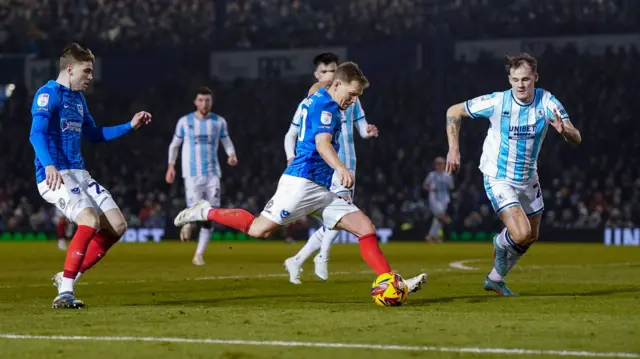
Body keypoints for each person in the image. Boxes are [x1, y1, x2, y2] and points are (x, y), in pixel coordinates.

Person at [175, 62, 427, 293]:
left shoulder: (320, 96)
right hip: (301, 183)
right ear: (338, 86)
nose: (353, 101)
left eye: (357, 96)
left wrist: (332, 80)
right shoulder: (326, 107)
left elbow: (319, 86)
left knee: (365, 227)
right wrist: (341, 167)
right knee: (258, 229)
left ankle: (389, 281)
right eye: (352, 94)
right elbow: (322, 143)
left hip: (323, 188)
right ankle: (205, 212)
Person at [445, 53, 581, 296]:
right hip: (499, 177)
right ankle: (500, 242)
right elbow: (454, 111)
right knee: (521, 233)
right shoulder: (497, 102)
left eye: (526, 79)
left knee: (532, 236)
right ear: (509, 80)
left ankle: (495, 279)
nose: (521, 84)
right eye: (516, 79)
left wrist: (565, 131)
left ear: (535, 78)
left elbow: (576, 137)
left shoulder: (546, 101)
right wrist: (453, 149)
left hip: (529, 178)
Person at [29, 43, 152, 309]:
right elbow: (36, 133)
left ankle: (67, 276)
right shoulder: (47, 94)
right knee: (88, 219)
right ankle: (65, 292)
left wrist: (129, 125)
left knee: (118, 226)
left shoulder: (78, 99)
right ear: (70, 69)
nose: (91, 77)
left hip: (79, 173)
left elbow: (94, 135)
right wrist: (48, 164)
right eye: (87, 71)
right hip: (55, 174)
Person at [283, 53, 378, 284]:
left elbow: (362, 129)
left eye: (333, 70)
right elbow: (291, 134)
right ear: (317, 75)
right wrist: (290, 157)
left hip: (348, 165)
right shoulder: (313, 102)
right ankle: (322, 257)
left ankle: (297, 259)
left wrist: (369, 132)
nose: (329, 75)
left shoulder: (353, 99)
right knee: (341, 212)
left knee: (334, 219)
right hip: (325, 167)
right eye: (325, 72)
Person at [165, 86, 238, 265]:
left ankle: (198, 254)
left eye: (207, 100)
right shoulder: (184, 122)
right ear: (195, 102)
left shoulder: (219, 122)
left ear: (211, 102)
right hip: (191, 174)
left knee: (210, 214)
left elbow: (226, 140)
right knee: (196, 209)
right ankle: (189, 222)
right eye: (201, 100)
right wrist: (171, 166)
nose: (204, 104)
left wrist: (231, 154)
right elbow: (174, 145)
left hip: (212, 173)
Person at [423, 157, 454, 243]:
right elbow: (425, 185)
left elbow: (451, 187)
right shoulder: (431, 175)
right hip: (434, 198)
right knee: (441, 216)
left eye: (441, 163)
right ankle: (447, 220)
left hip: (444, 199)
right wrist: (431, 189)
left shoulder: (447, 175)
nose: (439, 165)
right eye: (437, 163)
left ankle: (431, 236)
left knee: (437, 219)